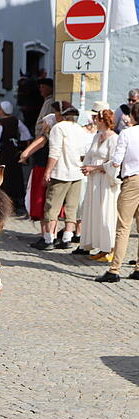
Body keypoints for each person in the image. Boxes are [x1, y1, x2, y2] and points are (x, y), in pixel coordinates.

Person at [33, 104, 87, 251]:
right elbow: (84, 152)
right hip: (76, 173)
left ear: (61, 114)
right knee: (72, 207)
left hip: (61, 172)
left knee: (52, 206)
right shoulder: (80, 129)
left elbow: (54, 152)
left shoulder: (59, 128)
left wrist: (47, 171)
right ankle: (67, 238)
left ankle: (49, 239)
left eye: (56, 112)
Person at [95, 102, 139, 283]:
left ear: (133, 116)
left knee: (123, 226)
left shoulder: (127, 133)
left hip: (132, 180)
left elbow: (116, 161)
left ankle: (115, 270)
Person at [75, 107, 119, 261]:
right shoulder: (97, 136)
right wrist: (87, 167)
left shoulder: (114, 139)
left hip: (106, 182)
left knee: (105, 212)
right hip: (94, 180)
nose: (94, 121)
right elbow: (90, 155)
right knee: (94, 213)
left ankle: (109, 247)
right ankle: (99, 245)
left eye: (96, 118)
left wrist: (95, 167)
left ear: (102, 121)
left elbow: (114, 162)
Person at [0, 101, 32, 215]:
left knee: (1, 174)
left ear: (2, 111)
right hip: (15, 152)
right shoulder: (16, 121)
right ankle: (16, 201)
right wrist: (25, 147)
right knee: (15, 175)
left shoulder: (0, 123)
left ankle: (0, 201)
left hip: (3, 153)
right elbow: (26, 134)